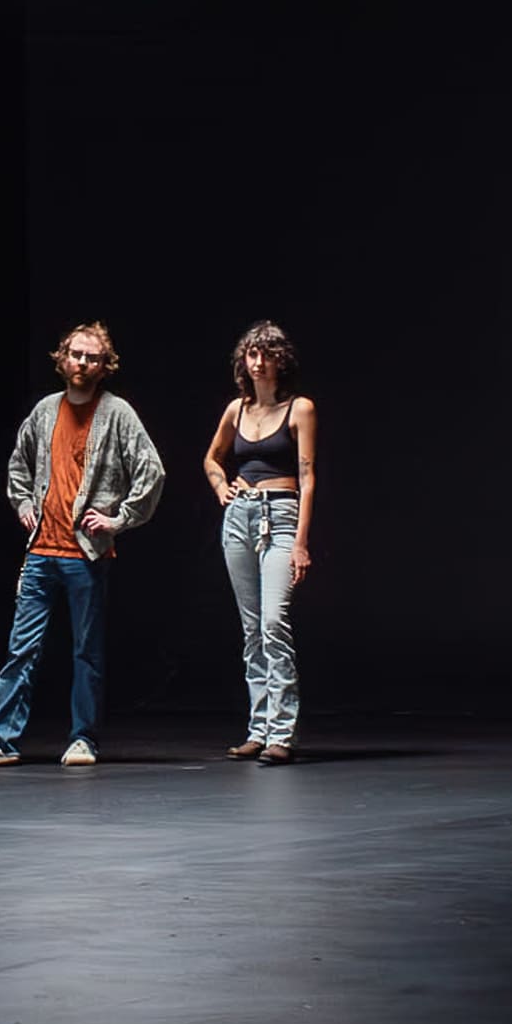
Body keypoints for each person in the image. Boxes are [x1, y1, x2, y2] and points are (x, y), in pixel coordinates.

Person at [0, 322, 162, 768]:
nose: (83, 362)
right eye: (76, 354)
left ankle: (83, 739)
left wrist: (118, 519)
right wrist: (24, 502)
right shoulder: (45, 411)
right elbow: (19, 467)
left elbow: (151, 471)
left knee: (87, 651)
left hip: (86, 554)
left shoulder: (117, 413)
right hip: (42, 550)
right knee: (21, 647)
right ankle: (0, 740)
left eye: (92, 357)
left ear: (105, 367)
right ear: (62, 358)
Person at [202, 319, 319, 763]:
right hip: (239, 518)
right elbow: (212, 458)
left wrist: (301, 542)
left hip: (281, 514)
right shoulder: (236, 410)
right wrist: (220, 488)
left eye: (266, 353)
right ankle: (259, 726)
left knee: (273, 622)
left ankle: (281, 733)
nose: (257, 361)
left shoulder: (300, 408)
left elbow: (308, 478)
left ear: (280, 359)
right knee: (251, 629)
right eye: (251, 353)